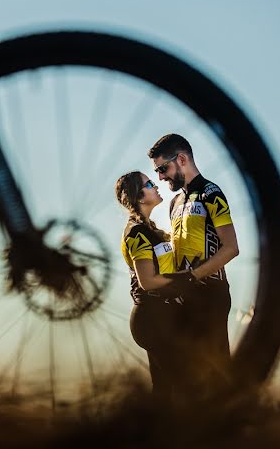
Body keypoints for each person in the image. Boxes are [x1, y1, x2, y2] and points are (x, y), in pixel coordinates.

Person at [148, 133, 240, 394]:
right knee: (185, 379)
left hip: (211, 295)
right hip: (184, 298)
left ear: (182, 159)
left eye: (162, 169)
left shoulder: (211, 193)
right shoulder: (175, 202)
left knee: (217, 376)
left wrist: (193, 276)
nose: (160, 177)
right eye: (156, 172)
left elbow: (232, 247)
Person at [115, 170, 185, 398]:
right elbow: (147, 281)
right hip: (151, 319)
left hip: (161, 317)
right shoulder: (136, 233)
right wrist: (188, 281)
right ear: (140, 196)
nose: (157, 186)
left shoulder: (152, 230)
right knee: (188, 386)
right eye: (150, 183)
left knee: (165, 394)